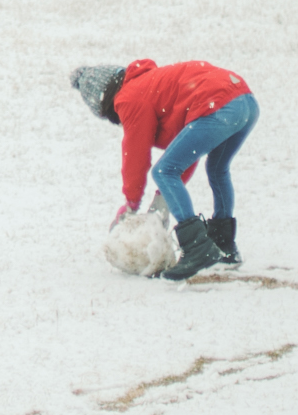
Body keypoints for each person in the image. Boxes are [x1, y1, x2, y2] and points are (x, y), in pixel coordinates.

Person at [71, 59, 259, 281]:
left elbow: (136, 155)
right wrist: (163, 201)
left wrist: (131, 205)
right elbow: (187, 152)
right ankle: (223, 245)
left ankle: (196, 247)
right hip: (244, 101)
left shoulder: (129, 97)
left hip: (220, 104)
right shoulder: (149, 83)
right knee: (218, 170)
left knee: (163, 171)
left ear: (104, 105)